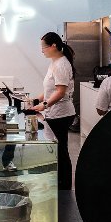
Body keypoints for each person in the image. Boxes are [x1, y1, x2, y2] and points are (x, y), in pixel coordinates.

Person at [32, 31, 76, 190]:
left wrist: (44, 105)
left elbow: (60, 91)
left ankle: (64, 185)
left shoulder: (62, 64)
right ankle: (58, 179)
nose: (42, 50)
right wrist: (37, 100)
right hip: (54, 112)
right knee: (57, 148)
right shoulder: (54, 62)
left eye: (43, 47)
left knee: (61, 149)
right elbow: (50, 88)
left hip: (61, 113)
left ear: (54, 46)